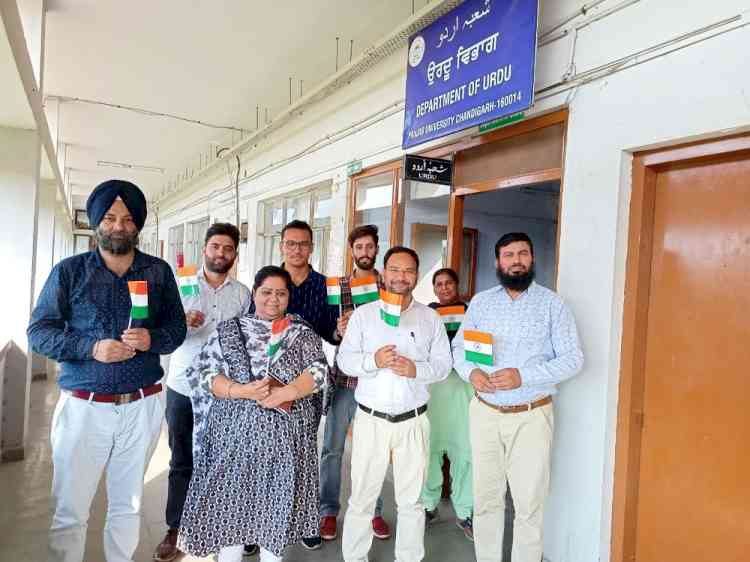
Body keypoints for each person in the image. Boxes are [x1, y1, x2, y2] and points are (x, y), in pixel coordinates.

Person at [27, 179, 187, 562]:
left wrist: (153, 340)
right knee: (70, 510)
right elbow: (39, 332)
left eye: (128, 219)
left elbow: (176, 329)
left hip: (142, 406)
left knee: (128, 504)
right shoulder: (69, 272)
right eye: (111, 218)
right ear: (97, 222)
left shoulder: (158, 271)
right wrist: (91, 347)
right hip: (84, 406)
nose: (119, 226)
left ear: (138, 225)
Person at [176, 265, 328, 562]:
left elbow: (320, 372)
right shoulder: (229, 330)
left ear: (289, 297)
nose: (273, 299)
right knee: (231, 523)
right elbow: (203, 374)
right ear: (254, 294)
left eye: (281, 293)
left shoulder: (301, 333)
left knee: (275, 522)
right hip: (234, 445)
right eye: (266, 292)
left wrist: (285, 393)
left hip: (284, 450)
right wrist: (241, 391)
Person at [453, 233, 584, 562]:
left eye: (522, 253)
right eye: (508, 255)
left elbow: (573, 359)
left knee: (529, 503)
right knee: (486, 499)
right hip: (485, 412)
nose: (516, 260)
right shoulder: (482, 303)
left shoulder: (553, 304)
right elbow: (460, 350)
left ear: (532, 259)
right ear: (497, 262)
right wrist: (472, 373)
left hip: (531, 414)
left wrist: (523, 376)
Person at [338, 246, 452, 562]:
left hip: (413, 421)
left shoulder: (430, 318)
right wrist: (373, 361)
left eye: (408, 271)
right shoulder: (364, 315)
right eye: (395, 270)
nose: (401, 277)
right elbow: (345, 360)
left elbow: (443, 364)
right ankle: (355, 558)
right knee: (361, 498)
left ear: (416, 276)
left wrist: (417, 370)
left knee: (411, 501)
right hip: (371, 420)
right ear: (384, 273)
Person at [153, 223, 251, 562]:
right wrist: (180, 322)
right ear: (204, 250)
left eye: (227, 248)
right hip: (182, 385)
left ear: (235, 255)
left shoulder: (242, 294)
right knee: (181, 459)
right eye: (215, 247)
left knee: (220, 458)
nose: (220, 253)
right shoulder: (179, 288)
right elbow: (159, 330)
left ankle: (216, 523)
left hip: (222, 390)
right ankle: (176, 528)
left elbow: (247, 339)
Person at [248, 218, 339, 551]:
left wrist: (340, 331)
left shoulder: (324, 284)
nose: (297, 249)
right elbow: (251, 327)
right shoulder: (270, 279)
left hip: (306, 386)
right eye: (291, 243)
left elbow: (331, 332)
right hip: (266, 386)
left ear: (311, 248)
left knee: (303, 454)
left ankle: (304, 519)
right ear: (282, 245)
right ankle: (255, 523)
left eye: (303, 244)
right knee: (262, 452)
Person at [319, 225, 391, 542]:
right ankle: (328, 511)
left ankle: (373, 511)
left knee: (372, 450)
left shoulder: (387, 285)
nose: (364, 252)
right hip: (345, 378)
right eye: (358, 247)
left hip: (377, 382)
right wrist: (338, 329)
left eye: (369, 247)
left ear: (376, 249)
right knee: (333, 448)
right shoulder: (339, 286)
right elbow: (330, 333)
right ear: (352, 251)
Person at [421, 268, 474, 540]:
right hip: (433, 394)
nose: (443, 288)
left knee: (465, 454)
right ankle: (428, 507)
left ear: (456, 285)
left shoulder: (472, 312)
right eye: (438, 284)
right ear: (434, 288)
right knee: (429, 453)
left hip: (463, 393)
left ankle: (466, 512)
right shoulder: (426, 315)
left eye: (448, 283)